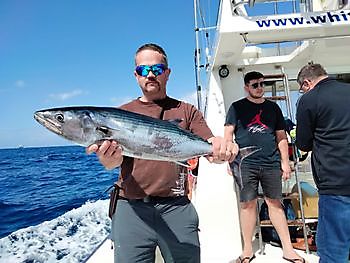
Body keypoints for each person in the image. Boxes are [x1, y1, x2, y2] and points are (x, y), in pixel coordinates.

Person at [86, 43, 239, 263]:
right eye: (142, 70)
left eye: (156, 70)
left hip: (176, 206)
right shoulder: (120, 114)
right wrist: (109, 160)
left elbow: (210, 146)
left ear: (167, 73)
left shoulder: (186, 111)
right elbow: (111, 165)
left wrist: (224, 148)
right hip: (131, 208)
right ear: (136, 75)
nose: (149, 75)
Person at [224, 71, 305, 263]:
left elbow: (281, 137)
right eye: (255, 85)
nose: (260, 88)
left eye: (262, 84)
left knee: (275, 204)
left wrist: (285, 163)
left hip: (270, 163)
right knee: (247, 205)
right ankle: (246, 251)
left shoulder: (273, 108)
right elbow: (228, 135)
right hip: (245, 164)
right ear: (246, 87)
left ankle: (288, 249)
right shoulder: (236, 108)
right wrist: (229, 161)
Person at [296, 63, 350, 263]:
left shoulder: (309, 100)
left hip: (335, 184)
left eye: (302, 88)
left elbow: (303, 143)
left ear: (307, 83)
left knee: (333, 252)